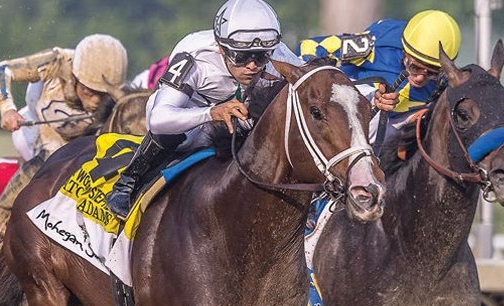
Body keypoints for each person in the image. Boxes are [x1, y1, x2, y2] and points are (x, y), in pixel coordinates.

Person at [106, 0, 301, 220]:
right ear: (221, 47)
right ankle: (129, 181)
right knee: (172, 131)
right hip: (192, 123)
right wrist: (211, 112)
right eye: (241, 55)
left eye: (261, 55)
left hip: (243, 119)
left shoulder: (280, 55)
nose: (252, 65)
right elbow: (158, 119)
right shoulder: (195, 55)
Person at [0, 34, 129, 240]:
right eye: (88, 91)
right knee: (53, 155)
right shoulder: (55, 62)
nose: (95, 101)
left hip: (80, 146)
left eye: (103, 95)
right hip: (34, 133)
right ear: (76, 77)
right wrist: (7, 109)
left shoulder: (119, 93)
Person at [300, 11, 462, 138]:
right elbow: (311, 46)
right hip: (353, 105)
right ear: (404, 51)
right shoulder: (377, 45)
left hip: (397, 122)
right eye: (415, 67)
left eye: (431, 74)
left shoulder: (447, 79)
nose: (420, 78)